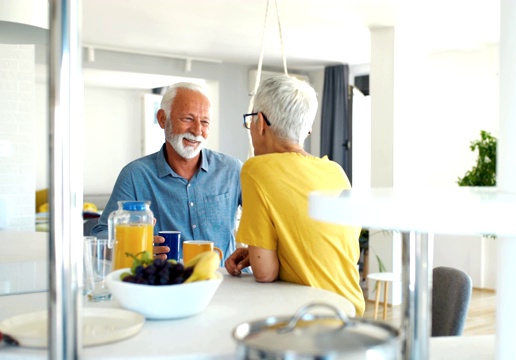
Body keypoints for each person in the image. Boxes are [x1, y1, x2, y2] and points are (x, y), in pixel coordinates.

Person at [224, 75, 365, 316]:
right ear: (308, 128)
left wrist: (259, 255)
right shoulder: (336, 171)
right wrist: (262, 250)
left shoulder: (256, 168)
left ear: (259, 123)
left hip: (311, 319)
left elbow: (265, 273)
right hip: (351, 311)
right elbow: (327, 245)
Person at [91, 82, 242, 260]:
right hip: (166, 282)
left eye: (204, 122)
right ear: (163, 119)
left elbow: (269, 223)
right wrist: (136, 246)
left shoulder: (232, 169)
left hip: (225, 283)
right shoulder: (135, 175)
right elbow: (100, 235)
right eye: (188, 119)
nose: (197, 131)